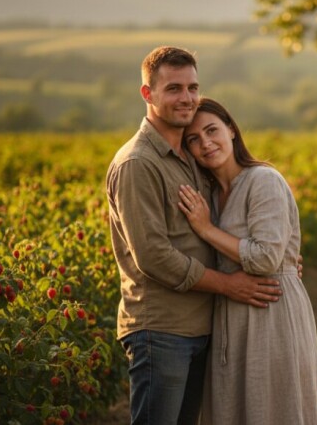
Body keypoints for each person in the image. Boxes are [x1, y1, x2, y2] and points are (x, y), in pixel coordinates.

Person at [106, 46, 284, 425]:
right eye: (173, 88)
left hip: (200, 326)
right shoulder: (138, 163)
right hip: (161, 329)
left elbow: (221, 226)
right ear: (147, 94)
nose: (186, 98)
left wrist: (280, 259)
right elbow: (153, 256)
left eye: (192, 87)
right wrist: (228, 285)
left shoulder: (190, 156)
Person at [178, 98, 317, 425]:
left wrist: (206, 229)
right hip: (230, 316)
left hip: (271, 311)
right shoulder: (211, 196)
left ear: (231, 129)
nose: (206, 143)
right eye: (194, 139)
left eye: (212, 130)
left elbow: (266, 258)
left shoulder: (263, 180)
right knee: (234, 410)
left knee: (272, 409)